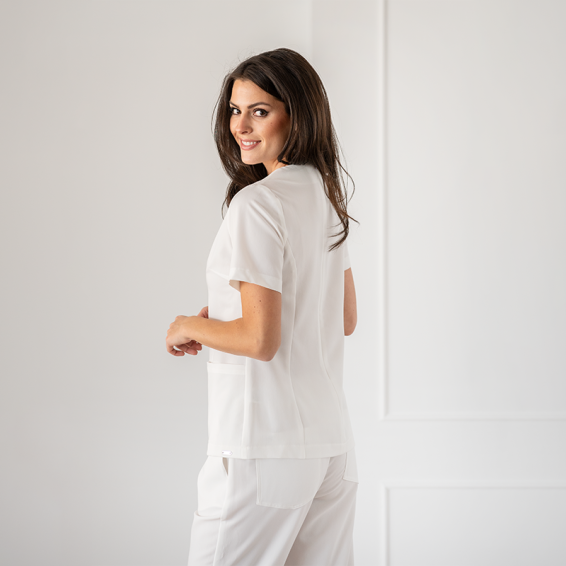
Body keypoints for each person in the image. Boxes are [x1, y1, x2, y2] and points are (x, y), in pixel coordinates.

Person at [166, 47, 359, 566]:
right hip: (329, 447)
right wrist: (221, 318)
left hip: (263, 450)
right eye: (235, 110)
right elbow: (342, 318)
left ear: (297, 114)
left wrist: (187, 326)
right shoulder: (325, 196)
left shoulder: (258, 203)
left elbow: (259, 339)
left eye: (260, 110)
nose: (241, 126)